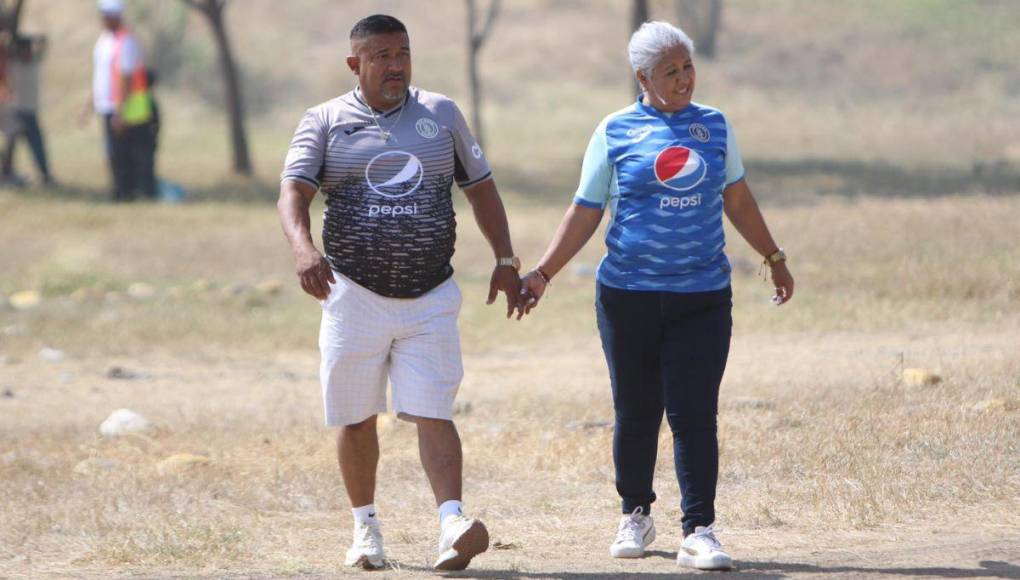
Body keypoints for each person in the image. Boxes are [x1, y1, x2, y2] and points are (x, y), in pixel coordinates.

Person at [520, 21, 795, 572]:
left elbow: (737, 200)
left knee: (695, 413)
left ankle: (699, 529)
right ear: (642, 76)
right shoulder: (615, 130)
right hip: (628, 296)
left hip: (703, 296)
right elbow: (586, 209)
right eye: (670, 71)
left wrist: (774, 256)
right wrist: (543, 273)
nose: (683, 79)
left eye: (688, 67)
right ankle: (636, 513)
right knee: (637, 410)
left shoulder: (714, 127)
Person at [277, 14, 523, 572]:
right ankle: (365, 530)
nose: (396, 65)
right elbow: (292, 194)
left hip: (430, 292)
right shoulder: (325, 121)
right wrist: (302, 249)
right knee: (356, 416)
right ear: (355, 63)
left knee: (433, 409)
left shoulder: (441, 115)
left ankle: (452, 524)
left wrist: (505, 259)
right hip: (352, 293)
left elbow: (482, 190)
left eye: (404, 53)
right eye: (383, 55)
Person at [81, 0, 156, 202]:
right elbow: (99, 76)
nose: (103, 18)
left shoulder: (126, 41)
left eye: (107, 14)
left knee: (125, 154)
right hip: (105, 105)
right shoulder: (103, 41)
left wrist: (120, 111)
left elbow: (126, 77)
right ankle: (119, 191)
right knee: (113, 153)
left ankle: (127, 193)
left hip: (124, 109)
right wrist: (88, 106)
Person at [3, 35, 53, 185]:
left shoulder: (34, 62)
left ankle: (45, 174)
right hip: (16, 111)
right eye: (24, 50)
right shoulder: (13, 64)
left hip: (30, 111)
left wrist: (33, 40)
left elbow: (44, 43)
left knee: (37, 145)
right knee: (11, 146)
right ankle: (7, 171)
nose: (27, 53)